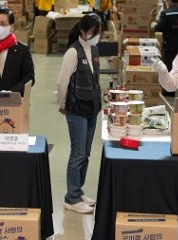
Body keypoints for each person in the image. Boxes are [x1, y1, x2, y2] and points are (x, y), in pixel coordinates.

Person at [56, 13, 103, 214]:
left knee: (86, 152)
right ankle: (71, 197)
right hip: (76, 109)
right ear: (84, 31)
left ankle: (79, 190)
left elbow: (95, 79)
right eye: (94, 32)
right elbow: (62, 82)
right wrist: (62, 103)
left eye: (98, 33)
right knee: (77, 153)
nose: (96, 36)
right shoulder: (73, 52)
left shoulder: (94, 50)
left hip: (92, 107)